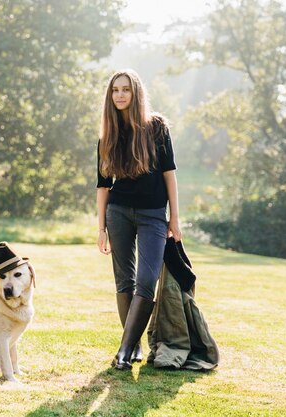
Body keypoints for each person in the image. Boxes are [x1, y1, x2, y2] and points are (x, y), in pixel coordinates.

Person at [96, 69, 182, 371]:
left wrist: (175, 218)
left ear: (136, 93)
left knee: (146, 280)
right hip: (117, 212)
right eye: (115, 90)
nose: (119, 94)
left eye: (125, 89)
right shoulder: (108, 135)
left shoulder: (157, 128)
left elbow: (169, 174)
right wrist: (100, 228)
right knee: (124, 280)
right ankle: (129, 348)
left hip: (153, 215)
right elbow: (103, 185)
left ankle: (124, 349)